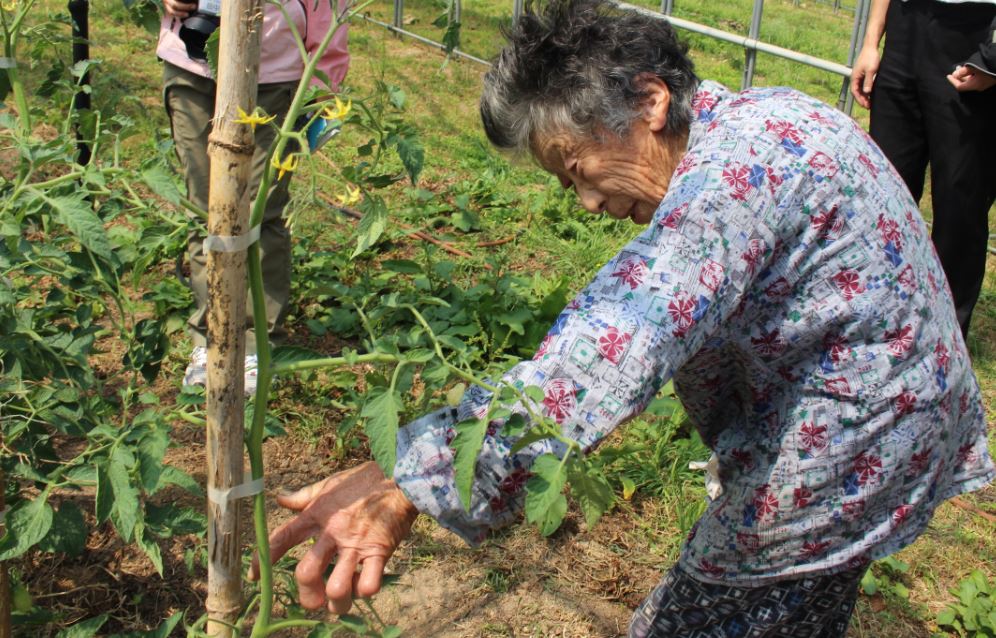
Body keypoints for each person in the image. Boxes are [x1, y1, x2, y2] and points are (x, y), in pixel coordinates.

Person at [252, 1, 994, 635]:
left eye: (578, 171)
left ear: (649, 101)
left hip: (857, 442)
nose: (589, 205)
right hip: (901, 415)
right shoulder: (759, 119)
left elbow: (616, 342)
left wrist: (410, 482)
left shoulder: (735, 179)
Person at [158, 0, 349, 393]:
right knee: (204, 207)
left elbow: (332, 10)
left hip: (276, 77)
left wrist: (320, 88)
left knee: (261, 211)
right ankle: (208, 339)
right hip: (193, 63)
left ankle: (252, 344)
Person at [850, 0, 996, 339]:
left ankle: (943, 338)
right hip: (904, 27)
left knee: (960, 200)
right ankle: (869, 315)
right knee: (884, 189)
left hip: (972, 33)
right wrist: (872, 43)